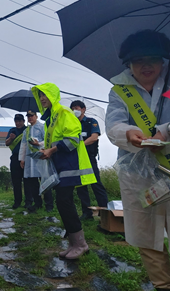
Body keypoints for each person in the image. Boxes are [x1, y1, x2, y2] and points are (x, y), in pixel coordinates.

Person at [106, 29, 170, 290]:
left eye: (152, 58)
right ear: (128, 63)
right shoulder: (120, 89)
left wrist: (167, 130)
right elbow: (113, 124)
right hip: (138, 174)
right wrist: (128, 133)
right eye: (138, 60)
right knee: (146, 238)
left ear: (163, 60)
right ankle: (164, 286)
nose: (146, 65)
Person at [32, 83, 97, 260]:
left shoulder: (64, 113)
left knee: (64, 202)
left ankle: (81, 244)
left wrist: (51, 151)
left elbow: (73, 139)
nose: (42, 99)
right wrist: (44, 150)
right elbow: (55, 141)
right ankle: (74, 243)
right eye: (40, 96)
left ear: (53, 95)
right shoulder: (51, 118)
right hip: (60, 165)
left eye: (45, 95)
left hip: (70, 166)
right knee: (62, 203)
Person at [70, 100, 108, 220]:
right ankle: (86, 213)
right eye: (72, 108)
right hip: (77, 159)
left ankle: (105, 211)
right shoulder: (72, 124)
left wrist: (80, 145)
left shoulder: (91, 122)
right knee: (81, 185)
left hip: (89, 158)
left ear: (83, 109)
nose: (74, 111)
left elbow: (94, 137)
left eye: (76, 108)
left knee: (96, 184)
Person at [18, 110, 54, 212]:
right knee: (32, 182)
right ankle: (37, 203)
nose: (30, 118)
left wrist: (39, 144)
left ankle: (49, 205)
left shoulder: (42, 127)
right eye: (28, 116)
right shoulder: (27, 130)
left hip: (41, 157)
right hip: (30, 159)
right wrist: (22, 159)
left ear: (36, 116)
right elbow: (23, 145)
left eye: (31, 116)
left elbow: (47, 140)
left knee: (45, 181)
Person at [6, 113, 33, 209]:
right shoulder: (12, 131)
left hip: (27, 158)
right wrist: (11, 138)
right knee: (16, 181)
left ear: (23, 121)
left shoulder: (28, 130)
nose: (18, 123)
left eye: (19, 121)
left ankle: (28, 201)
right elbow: (7, 143)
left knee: (27, 181)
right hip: (15, 158)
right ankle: (17, 201)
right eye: (16, 121)